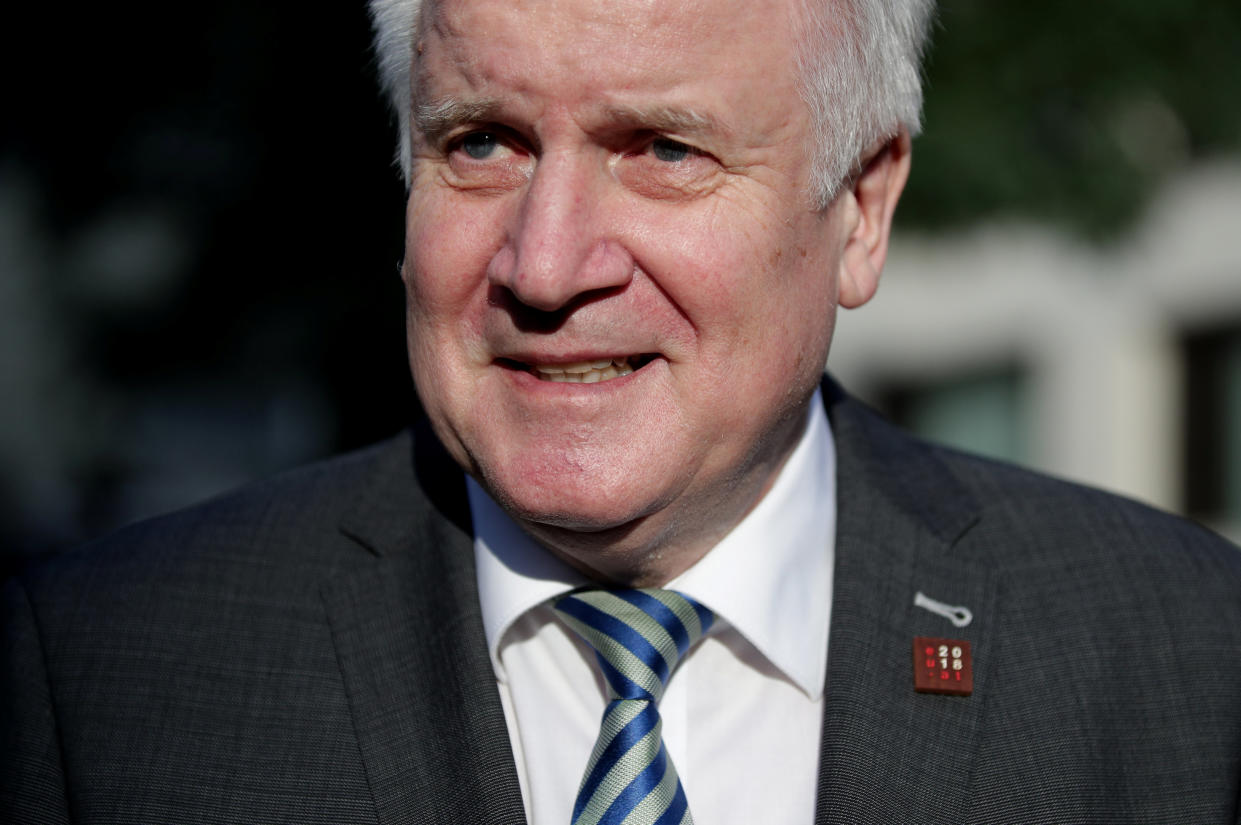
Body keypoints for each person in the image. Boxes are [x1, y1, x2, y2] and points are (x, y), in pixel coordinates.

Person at [4, 0, 1240, 821]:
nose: (545, 267)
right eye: (481, 143)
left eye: (661, 149)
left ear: (860, 210)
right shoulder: (107, 680)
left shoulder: (1181, 661)